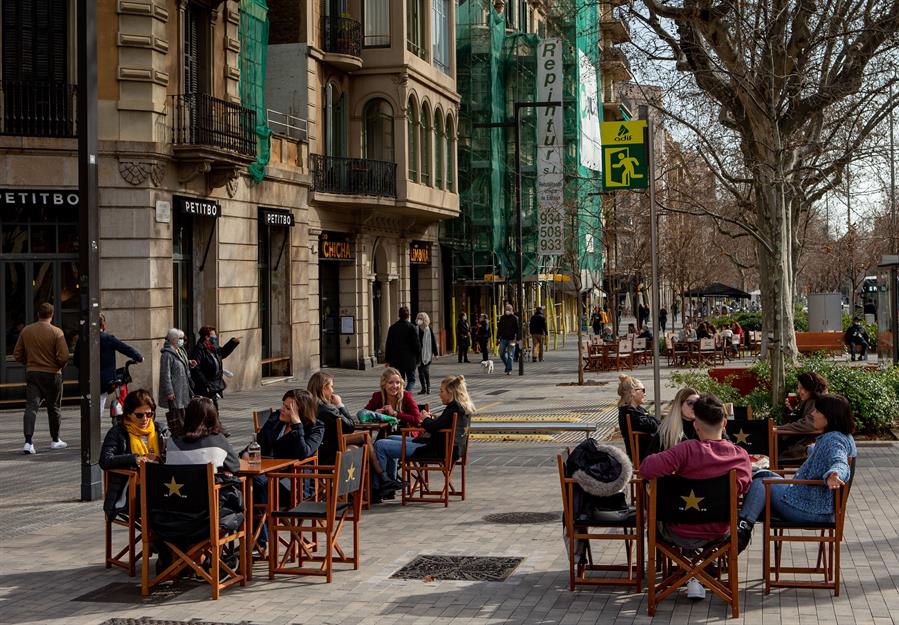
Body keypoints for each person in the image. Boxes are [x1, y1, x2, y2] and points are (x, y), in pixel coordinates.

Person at [639, 395, 752, 600]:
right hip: (719, 531)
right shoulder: (740, 456)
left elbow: (646, 468)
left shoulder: (686, 450)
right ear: (724, 423)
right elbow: (743, 489)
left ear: (696, 425)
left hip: (677, 530)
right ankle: (698, 573)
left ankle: (691, 574)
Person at [737, 394, 857, 552]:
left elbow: (840, 461)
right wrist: (813, 449)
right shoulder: (844, 437)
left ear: (829, 417)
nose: (812, 414)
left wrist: (835, 474)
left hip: (810, 509)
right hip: (816, 505)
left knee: (761, 483)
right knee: (763, 474)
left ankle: (741, 532)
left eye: (817, 411)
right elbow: (831, 453)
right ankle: (747, 518)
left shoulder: (833, 440)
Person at [373, 374, 474, 495]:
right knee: (390, 438)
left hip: (434, 450)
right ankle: (390, 481)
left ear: (451, 393)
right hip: (447, 448)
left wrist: (425, 418)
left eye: (442, 391)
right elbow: (441, 424)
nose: (439, 394)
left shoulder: (453, 408)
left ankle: (380, 487)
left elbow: (433, 427)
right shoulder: (462, 408)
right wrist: (431, 419)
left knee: (380, 445)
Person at [307, 372, 401, 495]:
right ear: (324, 388)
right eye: (331, 387)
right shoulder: (326, 409)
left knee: (357, 446)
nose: (333, 390)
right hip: (327, 454)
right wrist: (340, 405)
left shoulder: (308, 405)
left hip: (316, 451)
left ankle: (371, 487)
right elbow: (350, 426)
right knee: (365, 438)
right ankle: (380, 480)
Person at [100, 389, 168, 521]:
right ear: (128, 414)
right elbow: (105, 460)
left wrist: (159, 458)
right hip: (130, 489)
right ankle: (158, 533)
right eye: (139, 415)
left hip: (162, 484)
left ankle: (163, 532)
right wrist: (134, 459)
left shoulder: (161, 430)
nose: (145, 419)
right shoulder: (118, 432)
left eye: (149, 414)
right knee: (159, 503)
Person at [14, 302, 70, 454]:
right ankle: (55, 440)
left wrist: (29, 363)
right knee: (54, 408)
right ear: (52, 315)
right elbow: (64, 356)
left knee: (31, 407)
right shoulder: (56, 332)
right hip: (52, 374)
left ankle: (28, 442)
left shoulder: (26, 330)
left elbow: (17, 354)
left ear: (38, 314)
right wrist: (58, 365)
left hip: (33, 373)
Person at [166, 397, 240, 473]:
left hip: (177, 480)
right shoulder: (218, 440)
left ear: (187, 416)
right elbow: (235, 466)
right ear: (213, 418)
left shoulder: (172, 442)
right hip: (207, 480)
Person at [96, 313, 144, 414]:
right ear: (103, 325)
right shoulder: (107, 338)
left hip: (87, 379)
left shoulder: (83, 339)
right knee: (100, 404)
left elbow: (76, 360)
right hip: (103, 380)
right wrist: (139, 357)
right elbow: (124, 348)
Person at [778, 371, 829, 463]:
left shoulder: (820, 402)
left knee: (772, 448)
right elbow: (802, 420)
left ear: (810, 388)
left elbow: (808, 424)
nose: (799, 391)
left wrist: (778, 429)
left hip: (808, 447)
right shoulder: (810, 400)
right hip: (803, 442)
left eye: (801, 388)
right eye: (798, 388)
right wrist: (791, 410)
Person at [190, 326, 241, 408]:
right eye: (213, 335)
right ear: (207, 337)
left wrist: (232, 343)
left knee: (213, 408)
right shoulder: (199, 350)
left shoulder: (212, 347)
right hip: (205, 387)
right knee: (207, 409)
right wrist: (206, 384)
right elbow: (196, 369)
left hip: (214, 385)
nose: (215, 337)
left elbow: (222, 353)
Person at [645, 387, 700, 456]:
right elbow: (650, 459)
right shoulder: (666, 432)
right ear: (679, 405)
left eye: (697, 403)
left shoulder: (703, 429)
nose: (694, 407)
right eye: (690, 403)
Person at [158, 328, 193, 436]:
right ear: (173, 339)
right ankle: (179, 435)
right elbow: (165, 374)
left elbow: (181, 364)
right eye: (180, 338)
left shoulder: (180, 351)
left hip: (183, 388)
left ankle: (184, 434)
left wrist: (189, 363)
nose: (182, 340)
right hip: (175, 390)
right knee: (177, 415)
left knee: (184, 414)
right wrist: (169, 391)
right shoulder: (167, 355)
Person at [617, 374, 660, 460]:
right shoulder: (629, 412)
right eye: (643, 390)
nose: (645, 394)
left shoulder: (637, 409)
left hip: (648, 452)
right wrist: (650, 418)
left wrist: (650, 418)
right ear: (633, 392)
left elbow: (657, 422)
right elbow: (654, 426)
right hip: (644, 456)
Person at [384, 306, 421, 391]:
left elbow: (388, 344)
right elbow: (417, 345)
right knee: (411, 380)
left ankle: (401, 393)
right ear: (408, 315)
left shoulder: (393, 328)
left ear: (399, 315)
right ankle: (406, 393)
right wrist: (418, 359)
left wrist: (387, 360)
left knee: (399, 380)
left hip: (396, 360)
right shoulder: (412, 327)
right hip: (410, 360)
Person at [416, 312, 439, 394]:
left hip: (427, 354)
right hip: (419, 354)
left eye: (421, 318)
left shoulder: (429, 329)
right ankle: (423, 388)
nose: (419, 320)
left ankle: (428, 387)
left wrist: (436, 354)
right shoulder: (416, 329)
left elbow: (433, 342)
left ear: (425, 320)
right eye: (418, 318)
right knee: (420, 372)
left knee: (426, 371)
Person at [497, 304, 519, 375]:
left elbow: (517, 329)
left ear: (512, 310)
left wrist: (517, 339)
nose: (507, 311)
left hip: (512, 339)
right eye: (506, 309)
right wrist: (497, 337)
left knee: (510, 355)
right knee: (501, 353)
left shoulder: (515, 318)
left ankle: (509, 369)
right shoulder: (502, 318)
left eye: (509, 309)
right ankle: (507, 366)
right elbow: (499, 328)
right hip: (503, 338)